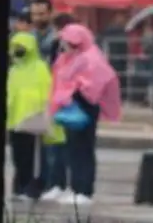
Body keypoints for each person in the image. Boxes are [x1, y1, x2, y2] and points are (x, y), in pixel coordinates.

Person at [50, 22, 123, 207]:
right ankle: (75, 187)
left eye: (68, 42)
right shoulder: (70, 57)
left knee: (83, 148)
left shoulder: (90, 58)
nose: (64, 46)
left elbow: (97, 82)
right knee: (73, 148)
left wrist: (75, 89)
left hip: (85, 105)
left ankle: (84, 189)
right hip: (72, 106)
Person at [6, 31, 59, 203]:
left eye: (21, 48)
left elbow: (46, 92)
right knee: (18, 156)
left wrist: (44, 112)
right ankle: (19, 187)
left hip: (32, 120)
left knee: (32, 157)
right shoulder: (14, 69)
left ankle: (30, 187)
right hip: (14, 120)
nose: (17, 51)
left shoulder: (40, 68)